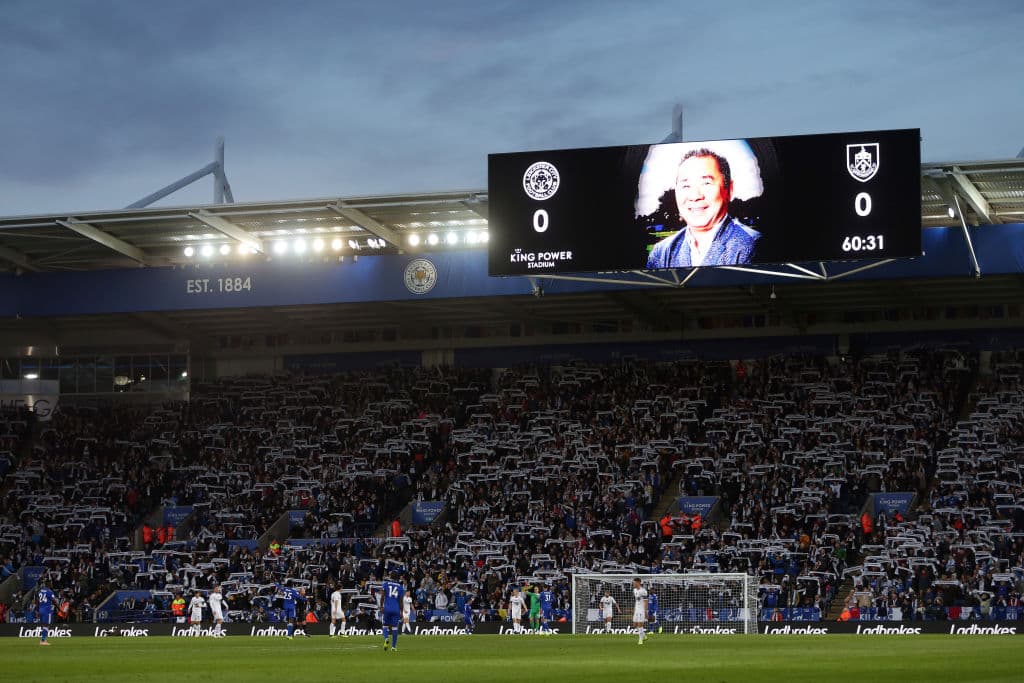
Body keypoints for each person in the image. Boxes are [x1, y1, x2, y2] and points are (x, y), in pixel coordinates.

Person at [646, 148, 761, 268]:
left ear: (729, 190)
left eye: (706, 183)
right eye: (686, 185)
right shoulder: (661, 253)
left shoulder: (751, 245)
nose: (695, 196)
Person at [381, 572, 405, 652]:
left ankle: (386, 638)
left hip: (387, 608)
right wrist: (401, 612)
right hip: (396, 609)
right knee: (395, 628)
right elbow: (401, 601)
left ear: (390, 576)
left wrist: (381, 606)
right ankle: (393, 647)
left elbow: (382, 596)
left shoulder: (386, 584)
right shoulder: (401, 587)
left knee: (385, 626)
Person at [632, 578, 648, 645]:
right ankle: (644, 635)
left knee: (640, 625)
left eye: (634, 582)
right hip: (636, 609)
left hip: (641, 610)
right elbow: (636, 601)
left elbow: (646, 601)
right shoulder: (634, 590)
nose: (633, 584)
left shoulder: (643, 591)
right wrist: (634, 610)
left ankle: (640, 640)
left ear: (638, 582)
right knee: (634, 625)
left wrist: (645, 611)